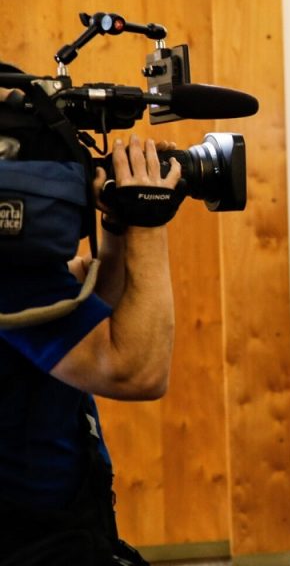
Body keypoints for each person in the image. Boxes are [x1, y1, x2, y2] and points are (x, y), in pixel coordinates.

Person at [0, 80, 182, 564]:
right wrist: (149, 220)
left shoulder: (27, 274)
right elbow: (136, 370)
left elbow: (85, 298)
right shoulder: (11, 276)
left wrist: (120, 226)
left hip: (56, 526)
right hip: (31, 542)